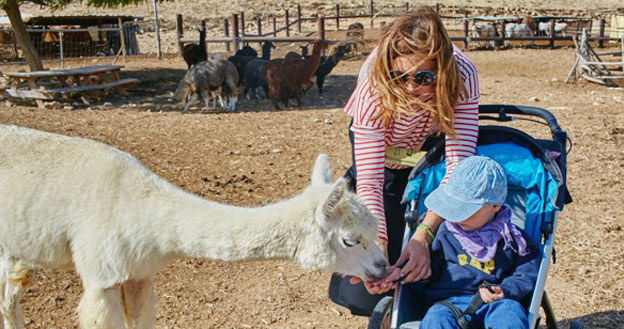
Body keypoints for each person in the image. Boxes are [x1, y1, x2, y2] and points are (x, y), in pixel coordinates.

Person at [328, 6, 480, 315]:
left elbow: (458, 165)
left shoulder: (462, 75)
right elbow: (369, 179)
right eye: (400, 77)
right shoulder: (374, 81)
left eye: (424, 77)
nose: (411, 88)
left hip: (429, 152)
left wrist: (424, 235)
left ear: (443, 69)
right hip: (382, 159)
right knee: (370, 280)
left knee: (430, 261)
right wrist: (377, 245)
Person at [415, 156, 540, 328]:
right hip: (448, 302)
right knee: (435, 318)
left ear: (496, 206)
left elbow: (526, 272)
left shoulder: (512, 239)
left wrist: (505, 289)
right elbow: (428, 271)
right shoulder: (445, 233)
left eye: (468, 211)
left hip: (495, 303)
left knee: (510, 314)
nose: (460, 217)